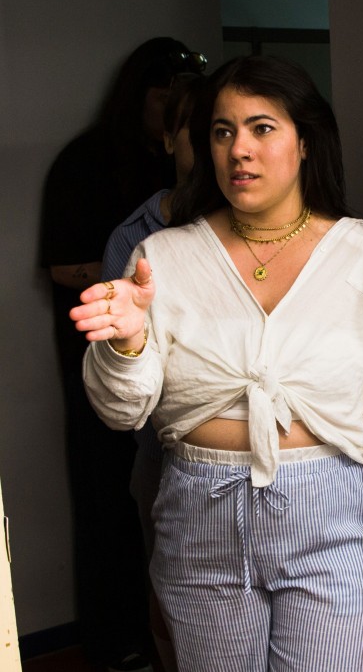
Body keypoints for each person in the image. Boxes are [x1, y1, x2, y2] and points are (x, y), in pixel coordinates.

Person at [69, 55, 363, 672]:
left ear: (305, 141)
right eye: (222, 131)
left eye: (262, 128)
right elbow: (122, 412)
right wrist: (125, 344)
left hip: (331, 521)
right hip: (198, 517)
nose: (239, 149)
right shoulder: (163, 257)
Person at [40, 38, 206, 672]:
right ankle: (123, 646)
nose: (225, 150)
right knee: (141, 544)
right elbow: (65, 268)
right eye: (199, 130)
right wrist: (130, 296)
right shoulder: (126, 218)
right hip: (152, 432)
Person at [100, 72, 206, 672]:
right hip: (163, 456)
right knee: (170, 608)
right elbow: (120, 376)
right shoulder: (134, 239)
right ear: (169, 139)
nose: (223, 147)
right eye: (202, 129)